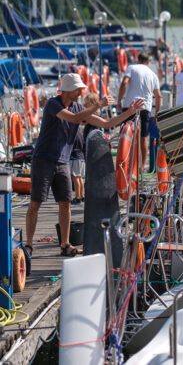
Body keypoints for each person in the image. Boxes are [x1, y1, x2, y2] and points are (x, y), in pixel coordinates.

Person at [25, 73, 144, 257]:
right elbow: (74, 118)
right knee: (35, 203)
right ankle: (29, 244)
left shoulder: (79, 107)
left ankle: (65, 244)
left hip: (63, 162)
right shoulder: (53, 104)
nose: (81, 93)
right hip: (44, 159)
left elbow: (106, 123)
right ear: (68, 90)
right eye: (78, 90)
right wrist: (97, 105)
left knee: (65, 203)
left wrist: (129, 113)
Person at [117, 52, 162, 168]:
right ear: (148, 62)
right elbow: (158, 96)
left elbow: (124, 83)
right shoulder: (153, 75)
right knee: (144, 137)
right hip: (145, 107)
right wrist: (156, 114)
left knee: (127, 134)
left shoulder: (132, 68)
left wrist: (119, 101)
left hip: (130, 106)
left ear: (138, 60)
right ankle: (141, 167)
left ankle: (126, 164)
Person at [70, 127, 85, 205]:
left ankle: (77, 197)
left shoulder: (72, 133)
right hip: (81, 156)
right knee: (80, 177)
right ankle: (82, 196)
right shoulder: (79, 132)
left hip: (74, 157)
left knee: (75, 177)